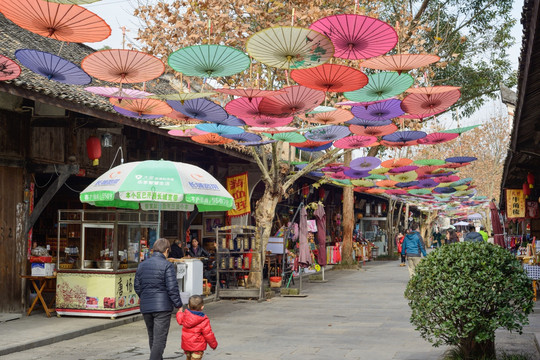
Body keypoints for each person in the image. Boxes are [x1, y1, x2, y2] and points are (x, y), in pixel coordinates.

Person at [135, 238, 183, 360]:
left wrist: (145, 297)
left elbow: (137, 286)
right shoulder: (167, 265)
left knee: (152, 337)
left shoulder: (142, 265)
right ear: (166, 250)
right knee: (159, 340)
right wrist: (179, 305)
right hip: (162, 307)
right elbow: (172, 288)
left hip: (146, 307)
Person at [176, 295, 218, 360]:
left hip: (186, 346)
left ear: (188, 306)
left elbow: (179, 319)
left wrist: (179, 312)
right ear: (202, 307)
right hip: (198, 348)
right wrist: (213, 345)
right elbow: (208, 334)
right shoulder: (203, 320)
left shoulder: (185, 316)